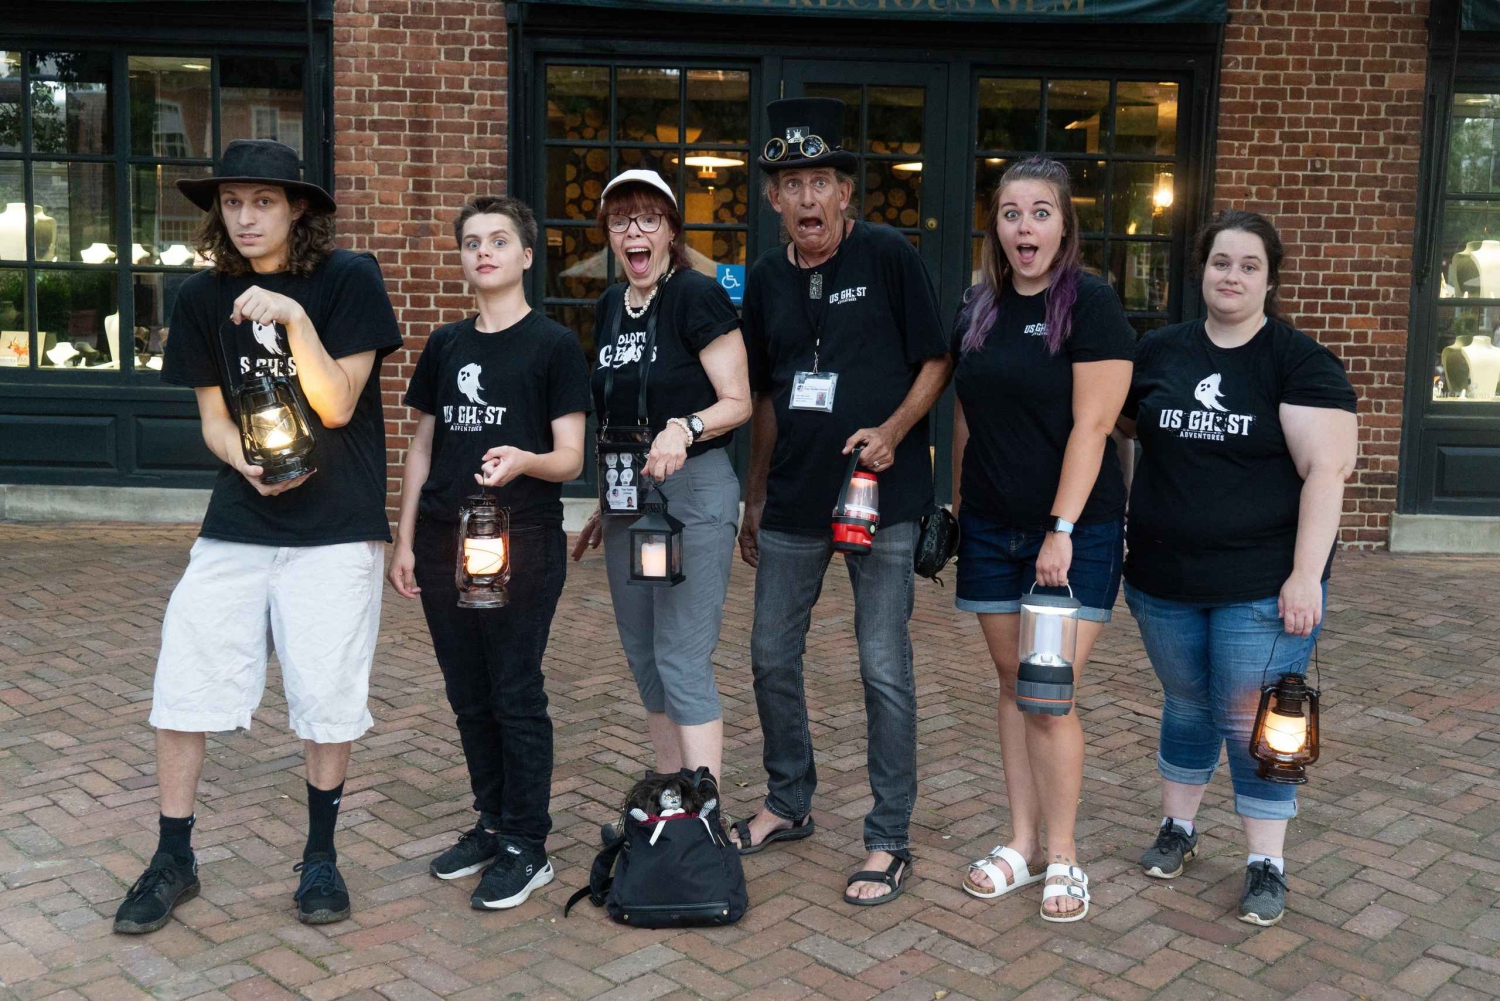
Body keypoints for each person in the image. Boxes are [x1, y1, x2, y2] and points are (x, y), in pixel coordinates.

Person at [113, 140, 403, 934]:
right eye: (233, 202)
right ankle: (174, 855)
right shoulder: (202, 297)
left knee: (326, 693)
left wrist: (295, 316)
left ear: (297, 208)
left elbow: (337, 404)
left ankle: (320, 856)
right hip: (239, 519)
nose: (245, 217)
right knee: (184, 675)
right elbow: (213, 417)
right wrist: (243, 460)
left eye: (263, 201)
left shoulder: (348, 279)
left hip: (337, 524)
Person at [735, 98, 952, 906]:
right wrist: (755, 495)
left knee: (882, 664)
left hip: (881, 497)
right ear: (773, 199)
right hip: (794, 498)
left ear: (846, 192)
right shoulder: (765, 279)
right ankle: (789, 799)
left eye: (821, 181)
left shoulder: (890, 256)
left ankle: (888, 835)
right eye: (792, 184)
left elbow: (936, 359)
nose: (808, 198)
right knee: (768, 653)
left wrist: (894, 430)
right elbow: (764, 394)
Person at [1119, 209, 1357, 927]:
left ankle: (1265, 862)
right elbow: (1120, 427)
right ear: (1202, 268)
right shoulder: (1159, 352)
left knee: (1254, 715)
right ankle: (1178, 828)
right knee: (1188, 703)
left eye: (1249, 265)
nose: (1232, 276)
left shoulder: (1298, 361)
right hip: (1162, 579)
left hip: (1261, 584)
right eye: (1222, 262)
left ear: (1270, 279)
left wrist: (1306, 576)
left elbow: (1327, 472)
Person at [388, 196, 590, 910]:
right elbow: (422, 447)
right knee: (468, 692)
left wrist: (524, 460)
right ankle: (493, 821)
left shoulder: (553, 345)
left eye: (499, 240)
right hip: (444, 537)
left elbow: (570, 457)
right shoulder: (446, 344)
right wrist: (405, 538)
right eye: (472, 242)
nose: (484, 252)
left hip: (522, 537)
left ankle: (528, 844)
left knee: (514, 689)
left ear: (526, 256)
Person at [954, 157, 1134, 923]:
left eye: (1039, 212)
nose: (1023, 227)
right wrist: (959, 506)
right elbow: (967, 415)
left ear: (1064, 224)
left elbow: (1095, 426)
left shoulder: (1091, 304)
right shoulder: (979, 306)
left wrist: (1060, 529)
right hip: (990, 528)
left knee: (1047, 693)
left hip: (1073, 532)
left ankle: (1064, 852)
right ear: (996, 227)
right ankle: (1021, 843)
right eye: (1010, 213)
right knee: (1011, 685)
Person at [571, 169, 751, 786]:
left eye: (649, 218)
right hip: (631, 497)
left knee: (680, 654)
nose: (634, 232)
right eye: (621, 221)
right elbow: (616, 411)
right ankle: (671, 798)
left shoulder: (697, 296)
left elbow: (738, 401)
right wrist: (609, 500)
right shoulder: (609, 307)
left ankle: (701, 811)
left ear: (672, 231)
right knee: (645, 656)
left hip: (692, 491)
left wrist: (685, 427)